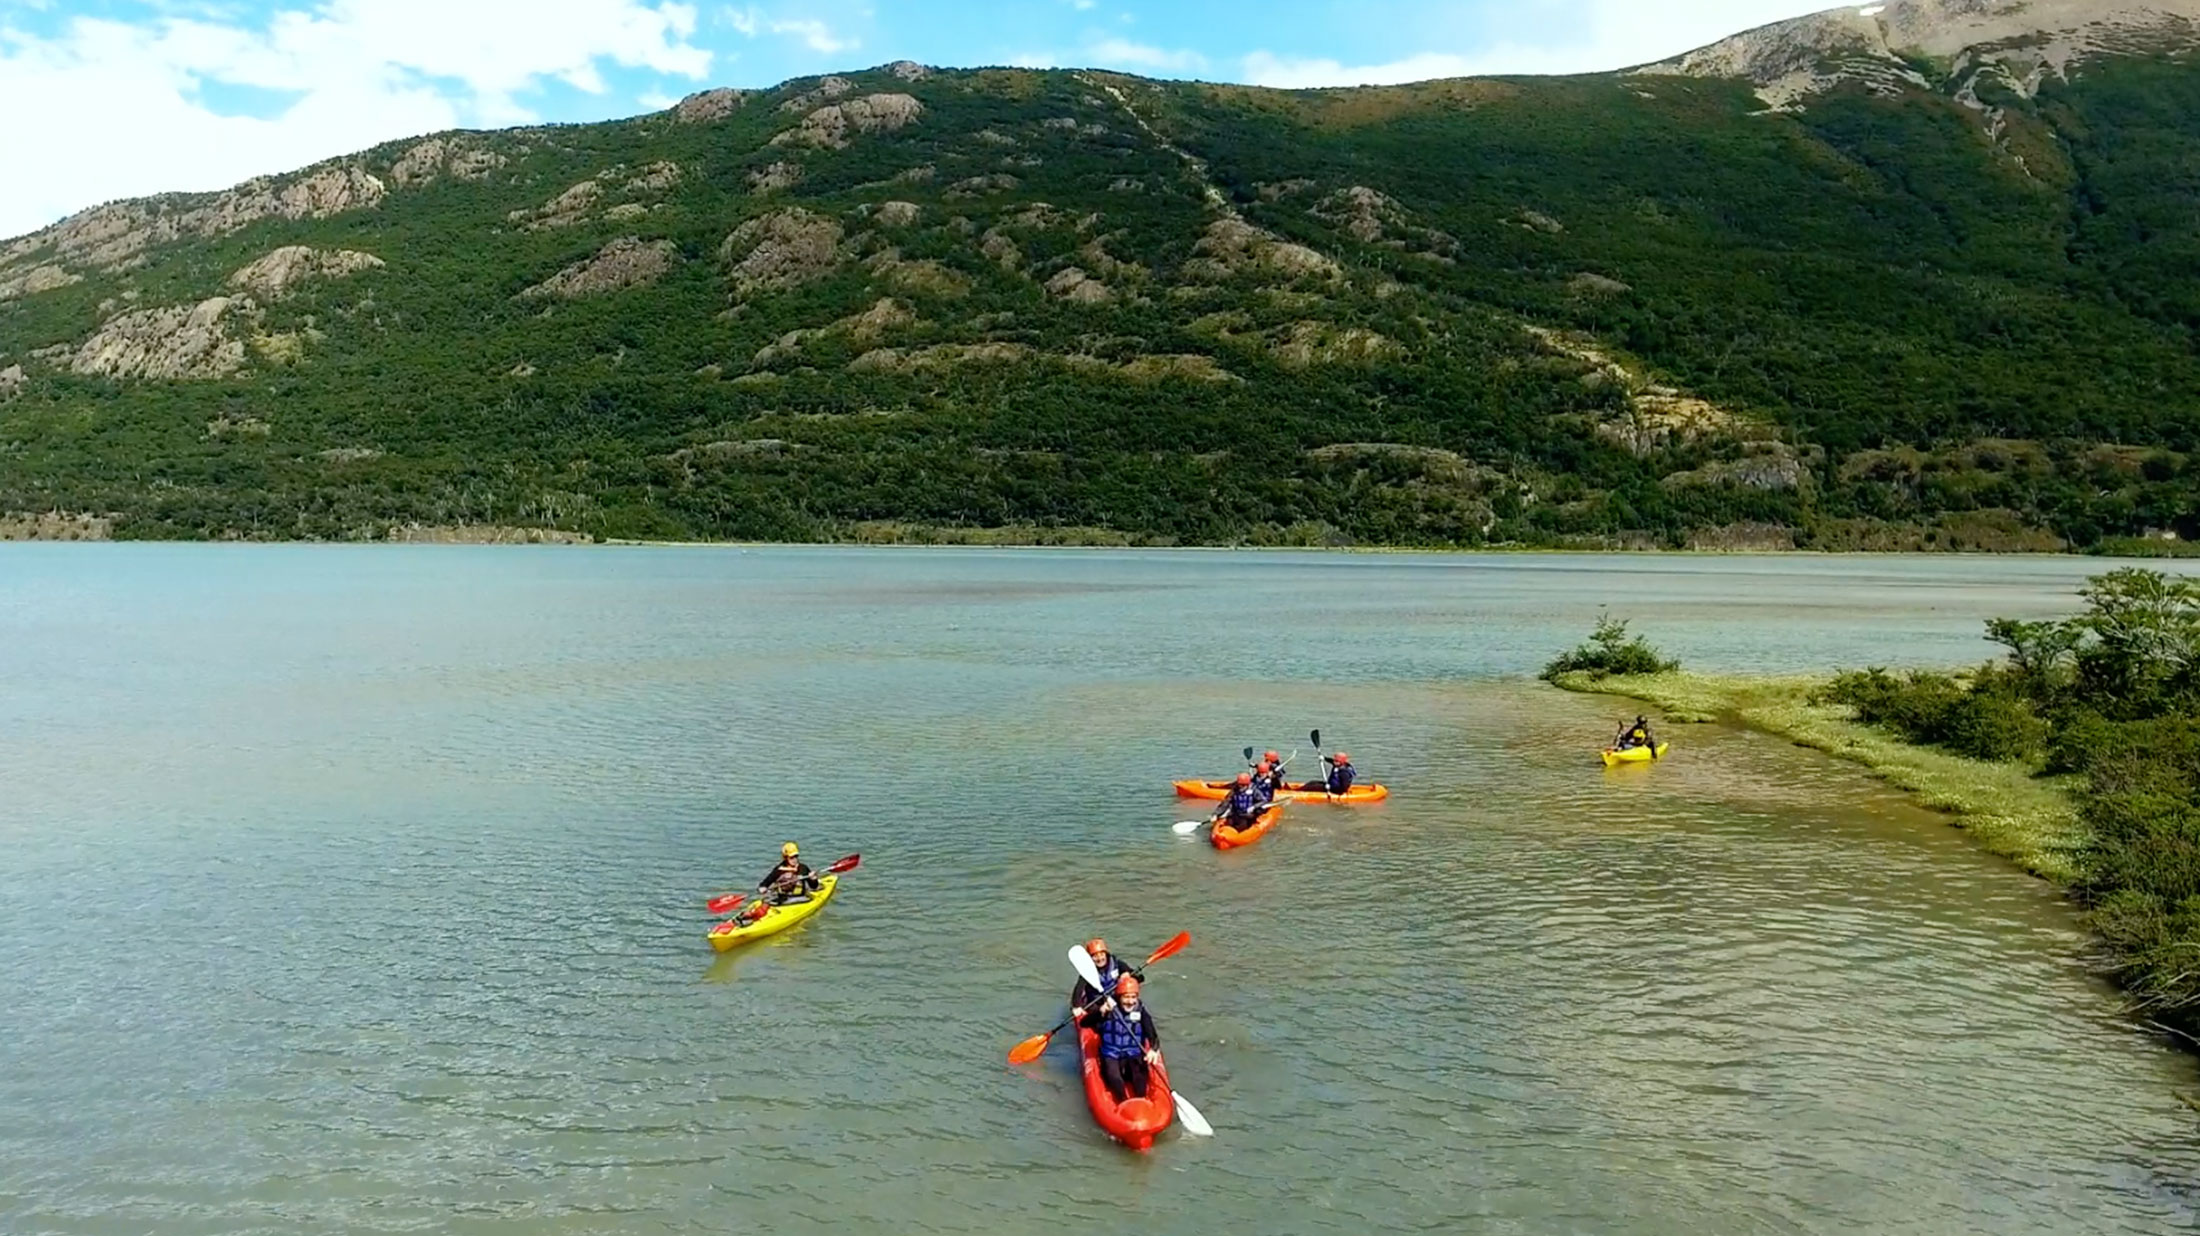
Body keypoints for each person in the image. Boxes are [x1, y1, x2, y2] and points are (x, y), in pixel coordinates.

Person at [1093, 974, 1160, 1102]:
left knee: (1139, 1078)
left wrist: (1153, 1048)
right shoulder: (1108, 1007)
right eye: (1126, 997)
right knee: (1114, 1078)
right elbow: (1084, 1023)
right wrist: (1100, 1012)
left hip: (1133, 1053)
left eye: (1133, 997)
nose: (1130, 1001)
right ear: (1119, 997)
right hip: (1111, 1053)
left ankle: (1141, 1101)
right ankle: (1123, 1102)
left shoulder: (1141, 1011)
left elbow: (1153, 1035)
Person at [1068, 938, 1135, 1026]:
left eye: (1101, 954)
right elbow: (1078, 989)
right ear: (1090, 958)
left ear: (1106, 954)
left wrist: (1127, 974)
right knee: (1101, 1014)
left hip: (1115, 998)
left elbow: (1139, 978)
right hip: (1096, 1002)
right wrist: (1076, 1006)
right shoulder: (1087, 971)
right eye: (1095, 956)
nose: (1099, 959)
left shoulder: (1116, 963)